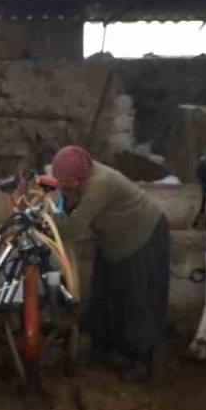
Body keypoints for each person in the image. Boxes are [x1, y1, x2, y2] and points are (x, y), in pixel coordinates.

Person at [52, 145, 170, 382]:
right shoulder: (82, 177)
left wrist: (42, 219)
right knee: (105, 294)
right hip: (114, 240)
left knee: (138, 300)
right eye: (60, 181)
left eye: (68, 182)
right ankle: (103, 349)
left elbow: (72, 228)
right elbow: (65, 203)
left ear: (80, 176)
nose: (64, 187)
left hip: (144, 235)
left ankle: (139, 361)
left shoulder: (100, 184)